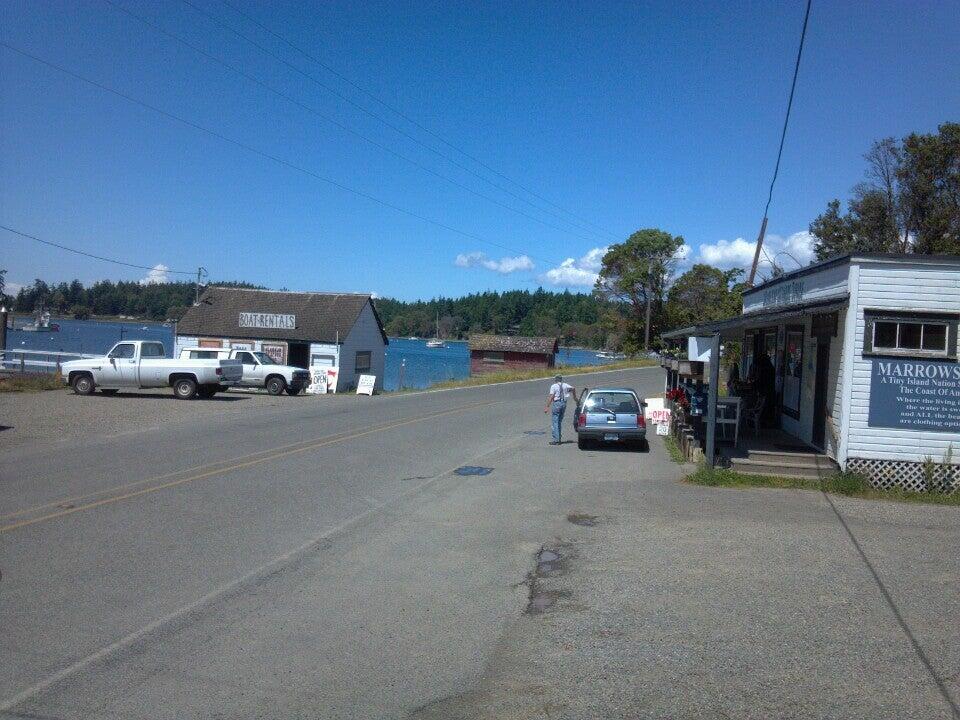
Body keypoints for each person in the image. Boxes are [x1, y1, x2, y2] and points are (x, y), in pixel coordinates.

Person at [544, 374, 576, 445]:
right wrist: (574, 397)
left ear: (556, 379)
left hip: (557, 403)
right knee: (559, 421)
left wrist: (547, 406)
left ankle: (556, 439)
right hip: (564, 403)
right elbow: (573, 388)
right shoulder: (565, 385)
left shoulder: (554, 386)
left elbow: (551, 396)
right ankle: (558, 437)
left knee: (555, 421)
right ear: (561, 379)